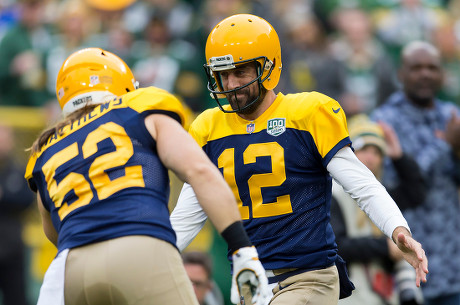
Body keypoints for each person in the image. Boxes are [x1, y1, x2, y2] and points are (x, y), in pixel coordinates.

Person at [170, 14, 428, 305]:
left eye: (240, 72)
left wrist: (397, 229)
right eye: (222, 73)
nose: (230, 84)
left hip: (308, 277)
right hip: (250, 284)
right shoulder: (208, 128)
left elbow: (363, 185)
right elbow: (188, 215)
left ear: (268, 68)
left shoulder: (306, 114)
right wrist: (154, 261)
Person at [24, 47, 270, 305]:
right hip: (139, 247)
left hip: (74, 269)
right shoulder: (140, 108)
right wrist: (242, 249)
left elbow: (53, 231)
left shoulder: (47, 147)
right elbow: (200, 172)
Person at [371, 40, 460, 305]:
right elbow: (393, 187)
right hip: (407, 262)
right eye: (417, 67)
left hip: (453, 260)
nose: (425, 74)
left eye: (432, 68)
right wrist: (444, 144)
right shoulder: (384, 121)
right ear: (401, 74)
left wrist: (457, 153)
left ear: (442, 74)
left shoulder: (452, 115)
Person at [330, 115, 425, 305]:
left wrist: (398, 156)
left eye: (377, 152)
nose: (371, 157)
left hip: (382, 293)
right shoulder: (333, 193)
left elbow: (416, 193)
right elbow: (336, 246)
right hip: (349, 294)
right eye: (364, 149)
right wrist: (386, 247)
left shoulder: (380, 194)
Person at [0, 123, 34, 305]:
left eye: (4, 138)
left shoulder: (18, 170)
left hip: (12, 248)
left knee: (17, 299)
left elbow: (27, 200)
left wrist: (4, 195)